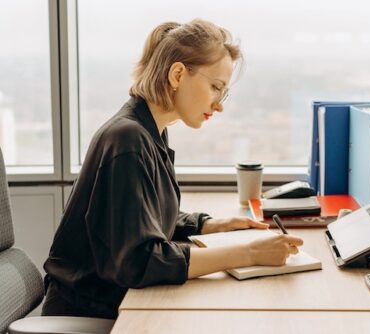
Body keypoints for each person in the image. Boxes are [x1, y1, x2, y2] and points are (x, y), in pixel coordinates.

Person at [42, 19, 303, 319]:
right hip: (90, 314)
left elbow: (138, 217)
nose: (219, 105)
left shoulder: (150, 131)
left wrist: (208, 225)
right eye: (215, 87)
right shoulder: (128, 139)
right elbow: (139, 261)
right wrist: (248, 253)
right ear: (178, 74)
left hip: (113, 304)